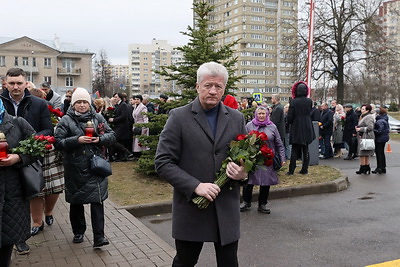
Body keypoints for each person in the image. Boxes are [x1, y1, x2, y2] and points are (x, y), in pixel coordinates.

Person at [155, 62, 247, 267]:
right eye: (208, 85)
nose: (213, 91)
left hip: (226, 209)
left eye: (218, 86)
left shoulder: (236, 118)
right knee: (185, 262)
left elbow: (246, 160)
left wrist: (243, 174)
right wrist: (195, 186)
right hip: (191, 209)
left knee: (229, 263)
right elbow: (162, 162)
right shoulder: (179, 117)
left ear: (224, 89)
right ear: (198, 86)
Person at [54, 87, 116, 247]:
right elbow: (58, 142)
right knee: (76, 201)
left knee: (97, 201)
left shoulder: (98, 117)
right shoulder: (66, 120)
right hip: (75, 167)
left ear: (89, 103)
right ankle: (78, 231)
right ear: (73, 104)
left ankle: (99, 237)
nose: (82, 105)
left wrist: (100, 140)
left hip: (95, 166)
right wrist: (77, 140)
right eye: (78, 102)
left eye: (84, 102)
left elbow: (111, 135)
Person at [1, 68, 53, 255]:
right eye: (11, 83)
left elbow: (48, 130)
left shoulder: (38, 103)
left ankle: (20, 238)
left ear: (26, 83)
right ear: (5, 83)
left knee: (26, 196)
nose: (15, 87)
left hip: (24, 159)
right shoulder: (1, 101)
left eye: (19, 83)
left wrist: (28, 144)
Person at [0, 99, 37, 267]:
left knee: (5, 247)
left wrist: (19, 157)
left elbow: (39, 146)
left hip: (11, 194)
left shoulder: (17, 123)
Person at [240, 106, 285, 214]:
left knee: (265, 182)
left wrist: (283, 157)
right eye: (259, 114)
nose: (261, 116)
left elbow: (279, 143)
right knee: (249, 181)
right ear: (256, 114)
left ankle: (262, 204)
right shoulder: (249, 125)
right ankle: (246, 202)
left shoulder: (272, 127)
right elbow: (244, 140)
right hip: (252, 158)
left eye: (263, 114)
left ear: (267, 115)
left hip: (267, 159)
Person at [286, 81, 315, 175]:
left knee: (294, 149)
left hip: (297, 126)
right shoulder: (309, 101)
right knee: (305, 148)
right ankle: (305, 169)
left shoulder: (293, 102)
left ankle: (291, 170)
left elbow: (290, 117)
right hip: (307, 125)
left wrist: (289, 122)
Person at [108, 93, 132, 161]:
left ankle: (126, 152)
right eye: (114, 97)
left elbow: (124, 116)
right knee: (120, 141)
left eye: (116, 97)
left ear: (120, 98)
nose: (114, 98)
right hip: (118, 126)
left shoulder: (123, 105)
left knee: (113, 139)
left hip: (122, 127)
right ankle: (121, 157)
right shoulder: (118, 105)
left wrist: (114, 119)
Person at [355, 104, 375, 174]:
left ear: (367, 110)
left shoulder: (368, 117)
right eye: (361, 109)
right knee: (364, 153)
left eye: (363, 109)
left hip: (366, 136)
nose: (361, 110)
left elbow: (370, 127)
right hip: (363, 135)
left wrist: (360, 129)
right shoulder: (363, 116)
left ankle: (363, 167)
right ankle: (365, 167)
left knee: (363, 152)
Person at [372, 107, 389, 174]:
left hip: (380, 139)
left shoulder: (380, 121)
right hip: (383, 138)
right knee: (381, 153)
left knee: (379, 153)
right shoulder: (384, 119)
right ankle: (383, 167)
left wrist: (373, 130)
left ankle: (379, 167)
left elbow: (379, 131)